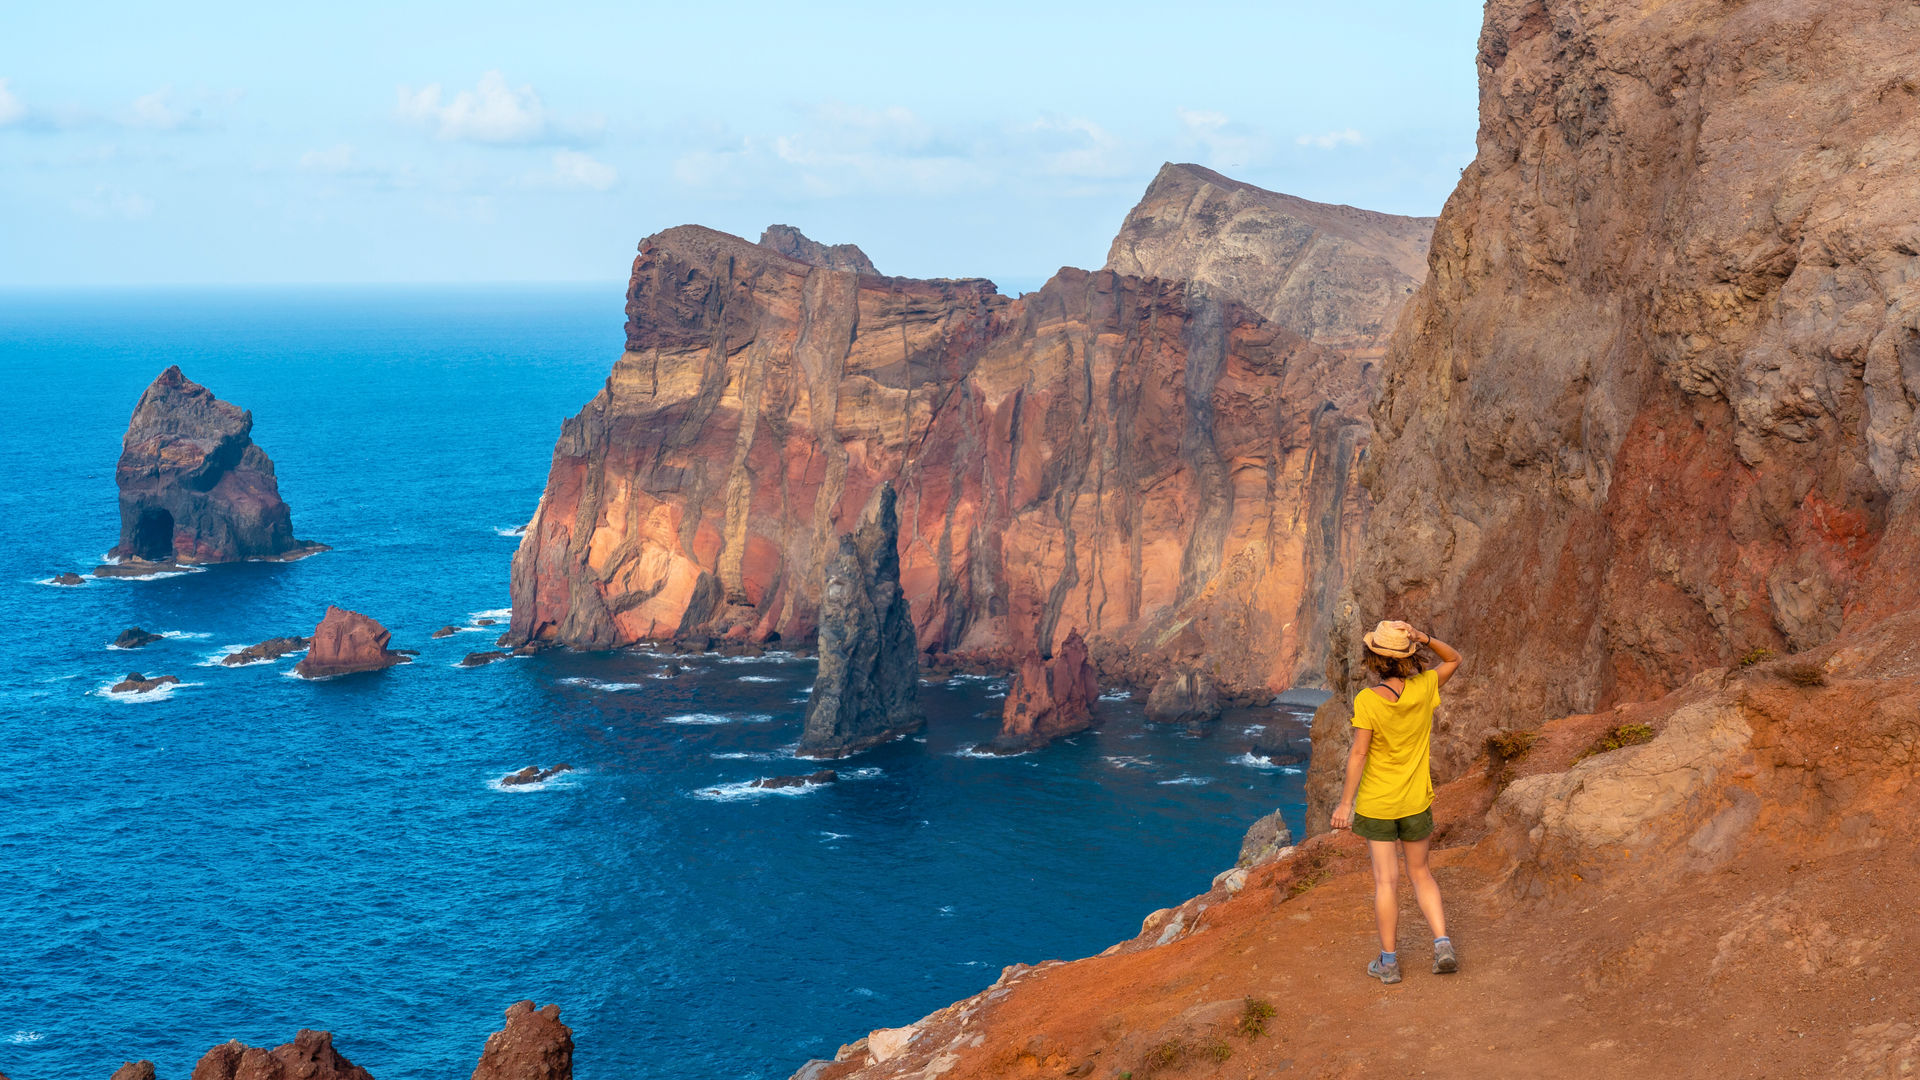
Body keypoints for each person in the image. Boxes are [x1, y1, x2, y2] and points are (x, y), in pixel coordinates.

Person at [1330, 619, 1463, 984]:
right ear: (1408, 656)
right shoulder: (1425, 687)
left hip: (1378, 805)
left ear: (1374, 659)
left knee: (1386, 883)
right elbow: (1454, 659)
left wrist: (1345, 804)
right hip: (1415, 801)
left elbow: (1359, 754)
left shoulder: (1368, 701)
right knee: (1421, 874)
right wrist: (1424, 638)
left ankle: (1388, 964)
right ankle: (1443, 945)